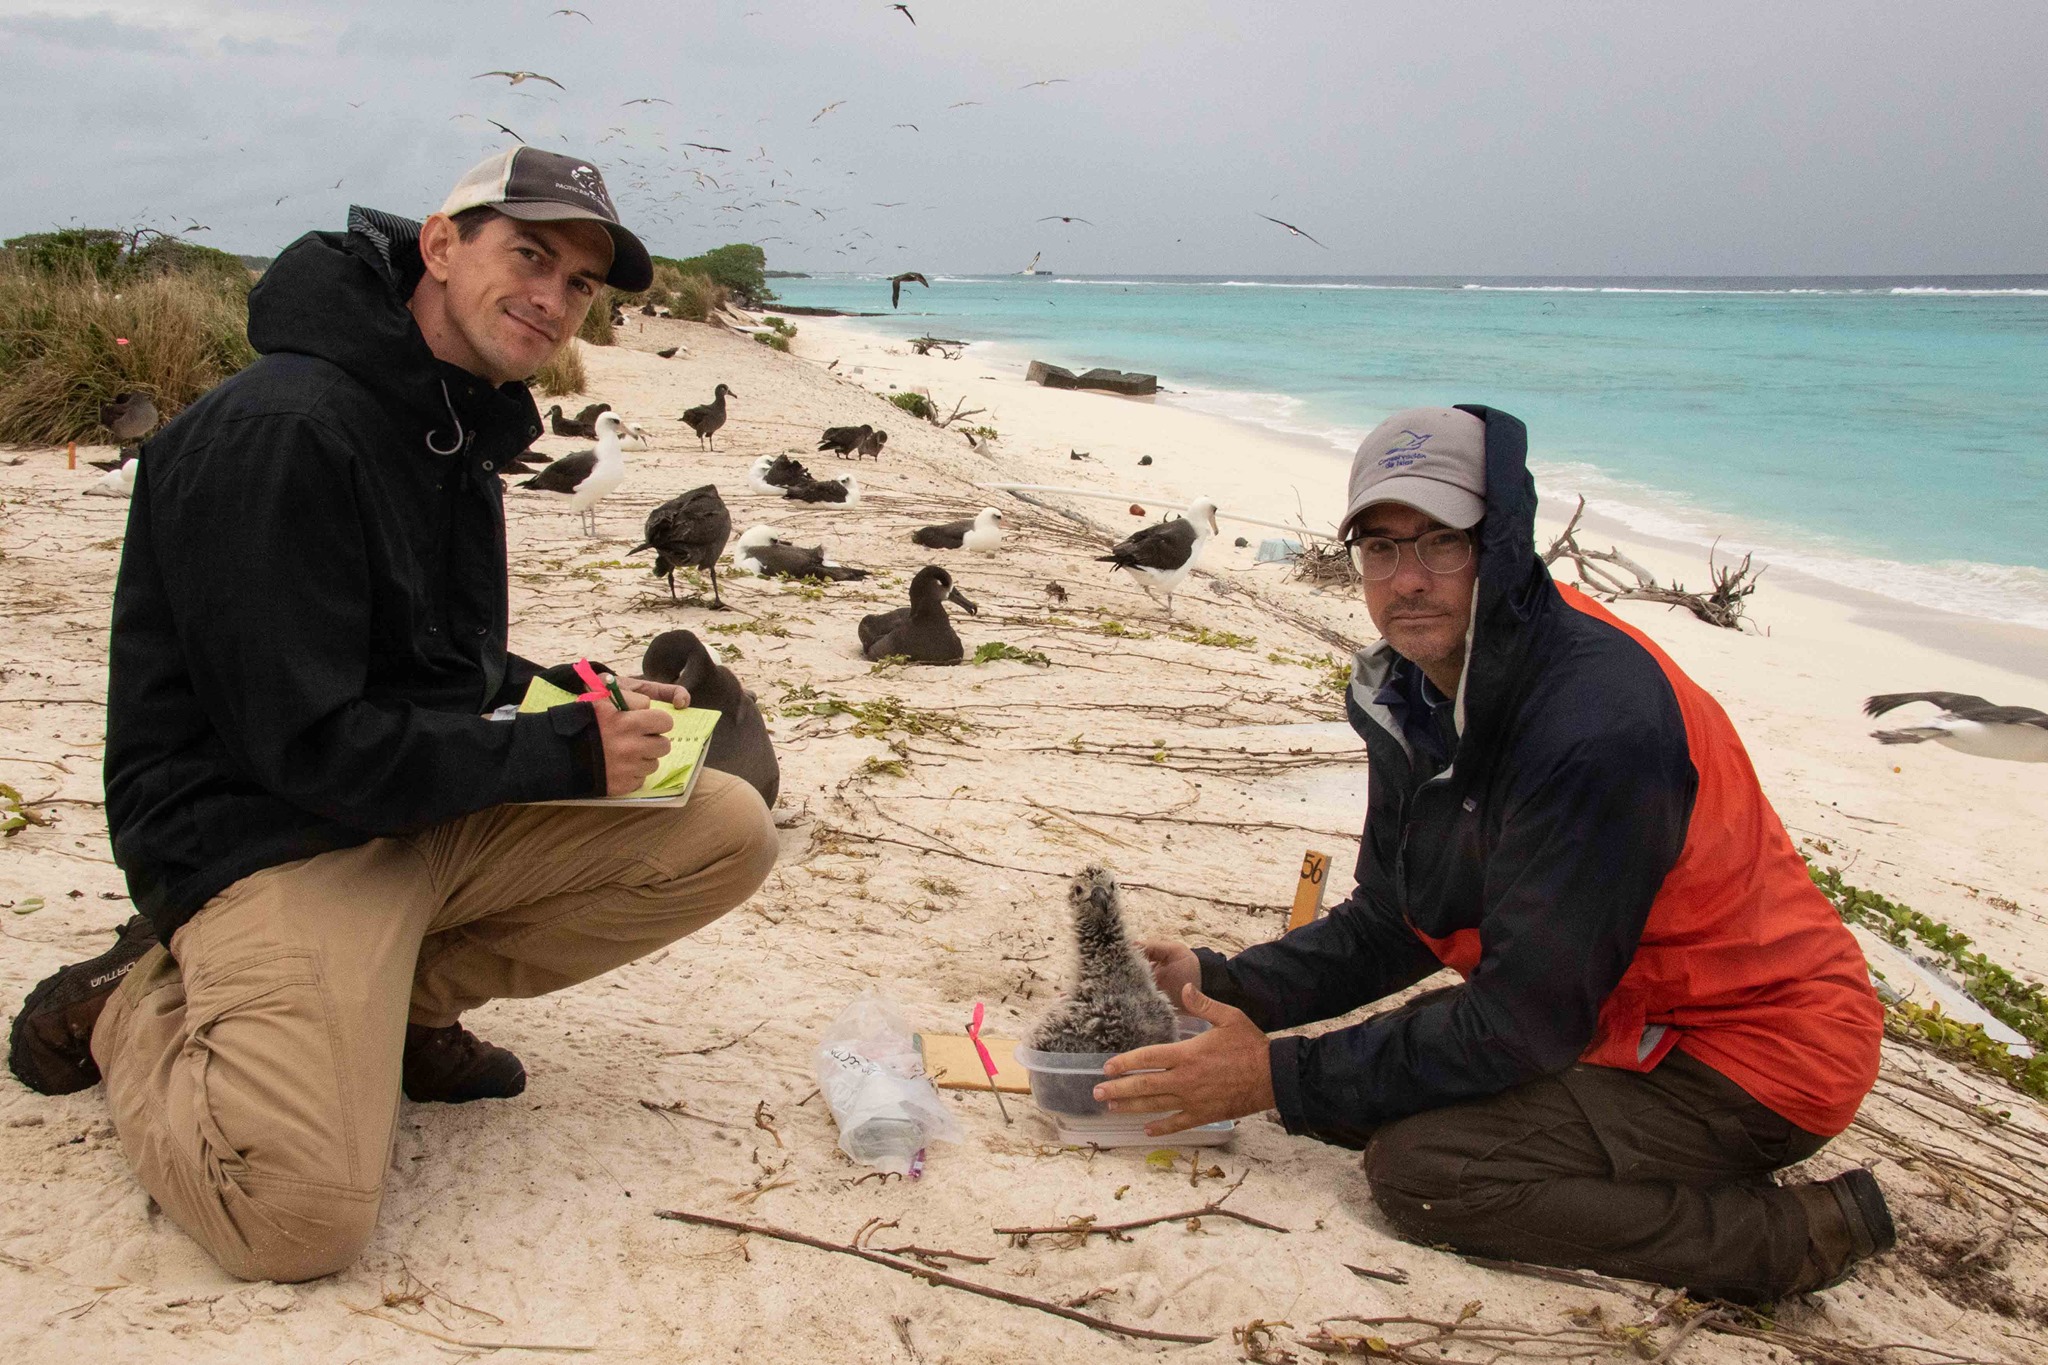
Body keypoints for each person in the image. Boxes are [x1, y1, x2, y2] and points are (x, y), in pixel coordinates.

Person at [6, 149, 780, 1282]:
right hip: (267, 841)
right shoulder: (286, 431)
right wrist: (561, 751)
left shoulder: (442, 420)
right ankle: (132, 1003)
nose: (553, 298)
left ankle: (389, 1010)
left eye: (576, 283)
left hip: (399, 812)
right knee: (295, 1220)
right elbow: (306, 743)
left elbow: (423, 655)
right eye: (529, 255)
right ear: (438, 244)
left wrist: (568, 695)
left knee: (725, 826)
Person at [1094, 406, 1891, 1303]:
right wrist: (1223, 982)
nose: (1409, 580)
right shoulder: (1416, 692)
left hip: (1757, 1051)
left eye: (1443, 543)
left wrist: (1272, 1074)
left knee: (1427, 1168)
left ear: (1502, 544)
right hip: (1612, 1018)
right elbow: (1403, 913)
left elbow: (1523, 1019)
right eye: (1382, 549)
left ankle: (1784, 1238)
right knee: (1392, 1096)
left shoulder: (1595, 720)